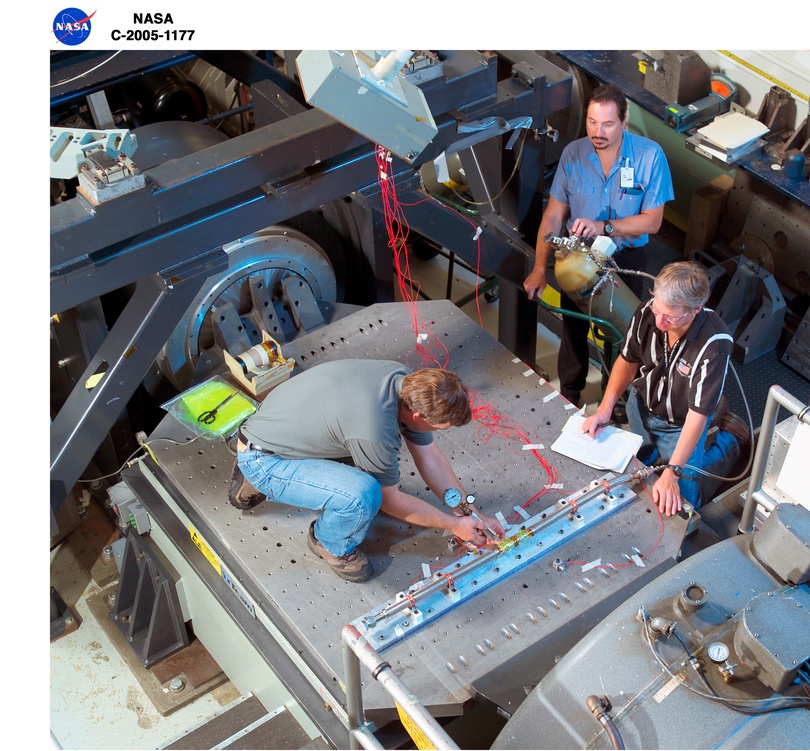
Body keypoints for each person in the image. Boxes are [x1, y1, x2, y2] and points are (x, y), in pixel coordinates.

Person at [228, 359, 503, 583]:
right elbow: (390, 501)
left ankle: (263, 471)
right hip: (264, 457)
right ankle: (328, 542)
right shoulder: (373, 430)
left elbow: (429, 458)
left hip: (279, 425)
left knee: (373, 474)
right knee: (364, 496)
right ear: (419, 417)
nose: (439, 434)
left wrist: (470, 514)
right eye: (440, 427)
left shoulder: (404, 381)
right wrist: (455, 526)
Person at [523, 83, 674, 408]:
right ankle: (571, 394)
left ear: (624, 121)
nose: (598, 131)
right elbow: (553, 215)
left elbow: (652, 221)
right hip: (578, 258)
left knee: (625, 333)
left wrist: (605, 226)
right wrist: (539, 269)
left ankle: (618, 399)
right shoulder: (573, 155)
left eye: (607, 123)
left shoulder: (649, 157)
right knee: (573, 330)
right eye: (592, 122)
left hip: (626, 257)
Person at [581, 261, 752, 516]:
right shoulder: (649, 311)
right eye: (657, 309)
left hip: (682, 423)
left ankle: (731, 440)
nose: (659, 321)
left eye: (670, 316)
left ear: (696, 309)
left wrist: (673, 473)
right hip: (641, 407)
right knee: (644, 467)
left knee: (684, 498)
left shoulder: (714, 345)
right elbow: (628, 362)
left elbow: (697, 416)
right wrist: (605, 410)